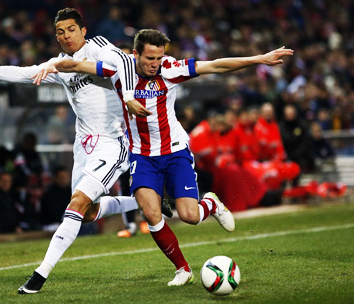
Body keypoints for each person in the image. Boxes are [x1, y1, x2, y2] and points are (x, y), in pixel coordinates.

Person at [34, 29, 293, 286]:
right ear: (135, 54)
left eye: (159, 58)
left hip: (175, 152)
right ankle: (182, 269)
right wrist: (51, 64)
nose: (155, 64)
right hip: (142, 156)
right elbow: (77, 64)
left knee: (189, 216)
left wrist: (259, 58)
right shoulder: (117, 71)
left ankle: (211, 205)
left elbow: (215, 66)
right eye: (149, 59)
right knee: (151, 213)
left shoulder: (170, 69)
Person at [0, 8, 148, 294]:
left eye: (70, 29)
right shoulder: (60, 64)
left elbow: (124, 65)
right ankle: (143, 200)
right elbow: (23, 73)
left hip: (112, 141)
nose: (66, 36)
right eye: (60, 32)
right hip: (83, 145)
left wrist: (127, 96)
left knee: (75, 204)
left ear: (83, 30)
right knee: (87, 212)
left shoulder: (99, 47)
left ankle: (39, 275)